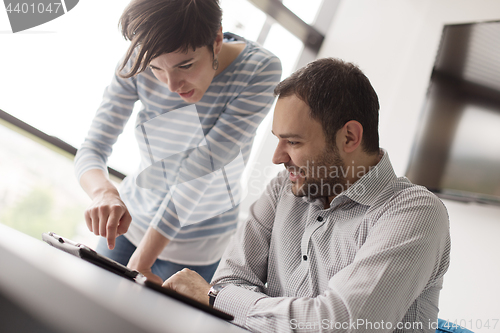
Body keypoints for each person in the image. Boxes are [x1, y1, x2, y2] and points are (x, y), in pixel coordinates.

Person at [162, 58, 451, 333]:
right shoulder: (284, 189)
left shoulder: (415, 212)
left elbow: (340, 325)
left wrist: (218, 299)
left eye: (293, 141)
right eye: (278, 139)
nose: (277, 157)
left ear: (349, 137)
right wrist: (301, 317)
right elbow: (229, 281)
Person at [74, 0, 282, 285]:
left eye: (185, 65)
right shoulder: (139, 57)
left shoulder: (259, 70)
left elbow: (201, 168)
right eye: (156, 69)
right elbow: (93, 148)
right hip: (133, 224)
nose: (171, 85)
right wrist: (104, 193)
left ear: (217, 40)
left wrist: (142, 262)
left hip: (199, 247)